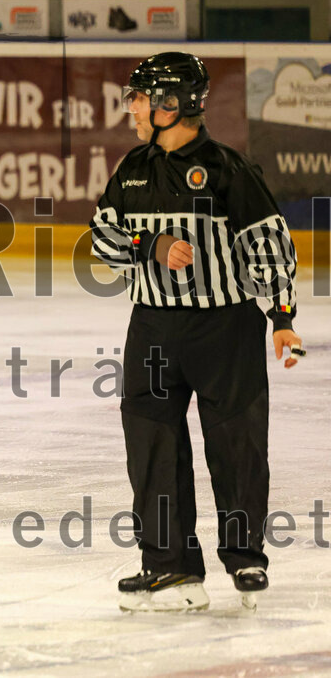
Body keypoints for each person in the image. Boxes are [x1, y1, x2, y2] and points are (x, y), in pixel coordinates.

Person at [89, 52, 304, 612]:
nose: (132, 107)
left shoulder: (230, 169)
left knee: (236, 444)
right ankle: (170, 568)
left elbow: (269, 244)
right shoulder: (131, 169)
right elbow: (103, 241)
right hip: (154, 330)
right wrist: (150, 247)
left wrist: (281, 318)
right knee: (152, 442)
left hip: (225, 328)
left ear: (170, 103)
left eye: (139, 97)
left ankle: (245, 557)